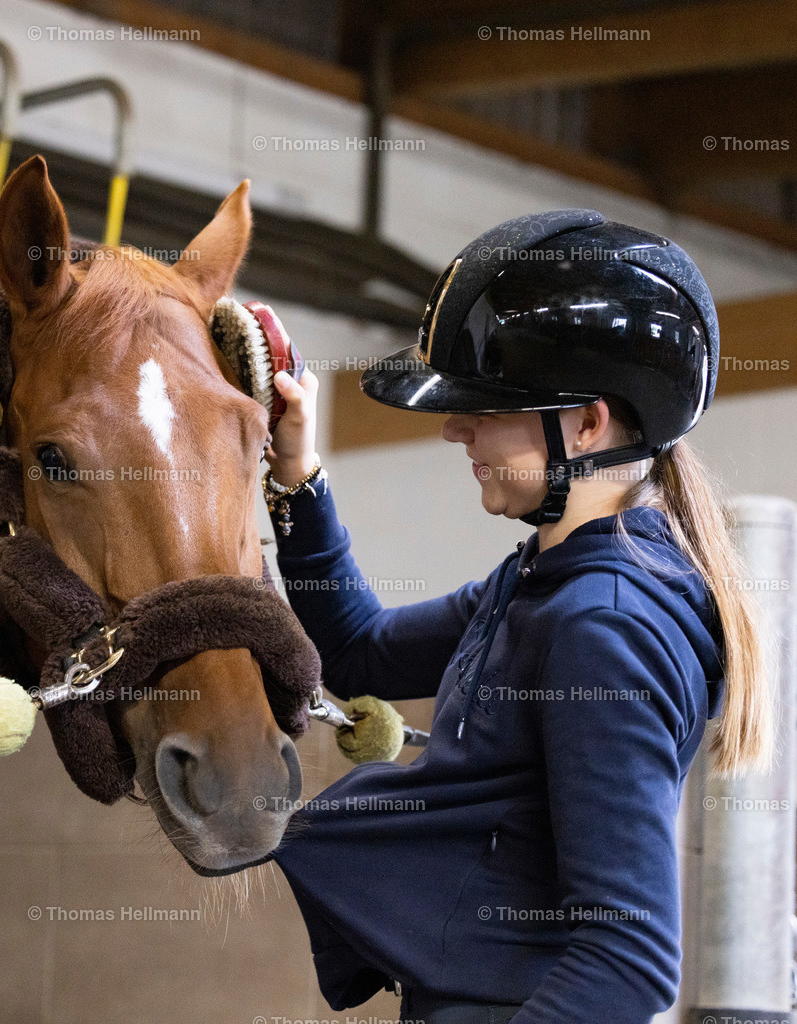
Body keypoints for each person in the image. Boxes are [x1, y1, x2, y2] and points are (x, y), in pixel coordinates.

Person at [261, 209, 770, 1024]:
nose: (457, 429)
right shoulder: (543, 581)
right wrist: (297, 477)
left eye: (488, 407)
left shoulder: (602, 628)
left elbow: (629, 957)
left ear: (588, 422)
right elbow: (360, 652)